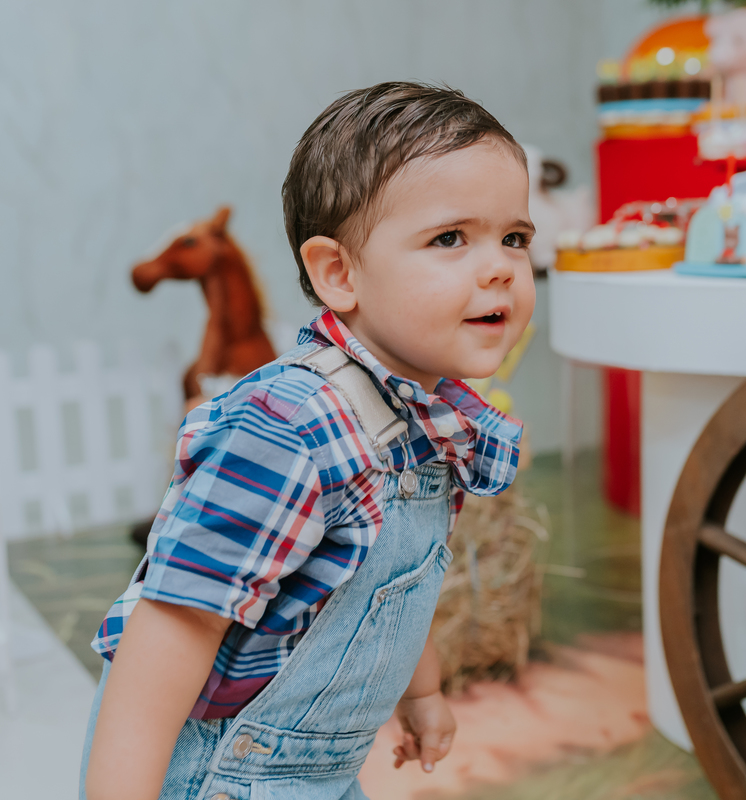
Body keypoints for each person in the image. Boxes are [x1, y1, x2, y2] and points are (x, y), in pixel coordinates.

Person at [81, 81, 535, 800]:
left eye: (515, 236)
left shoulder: (426, 417)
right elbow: (168, 631)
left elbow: (392, 585)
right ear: (339, 273)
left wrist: (421, 693)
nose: (502, 265)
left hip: (317, 773)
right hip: (223, 777)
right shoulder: (289, 427)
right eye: (451, 238)